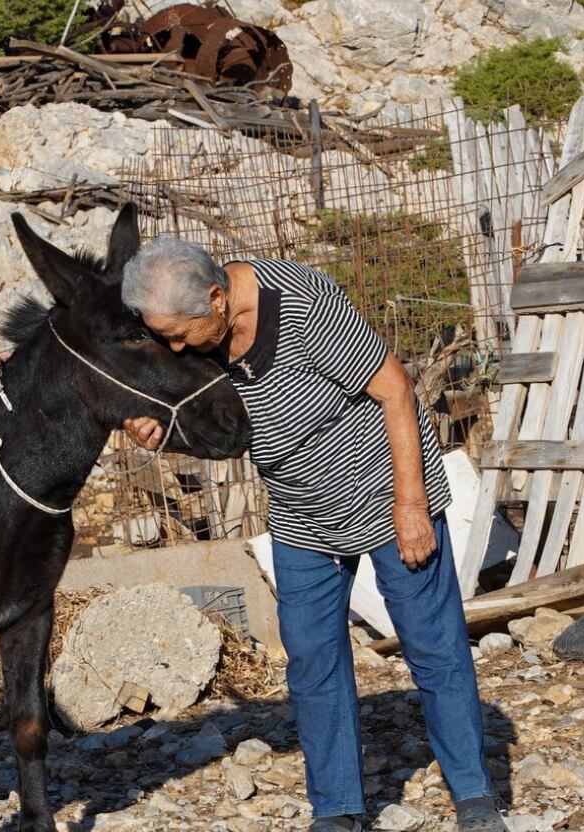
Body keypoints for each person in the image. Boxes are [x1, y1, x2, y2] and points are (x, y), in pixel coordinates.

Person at [119, 240, 507, 832]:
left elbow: (395, 389)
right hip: (302, 510)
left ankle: (475, 797)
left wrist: (412, 505)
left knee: (432, 645)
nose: (173, 347)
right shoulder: (205, 332)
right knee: (312, 661)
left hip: (383, 486)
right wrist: (164, 436)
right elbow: (232, 431)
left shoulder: (304, 305)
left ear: (217, 299)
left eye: (178, 334)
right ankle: (338, 811)